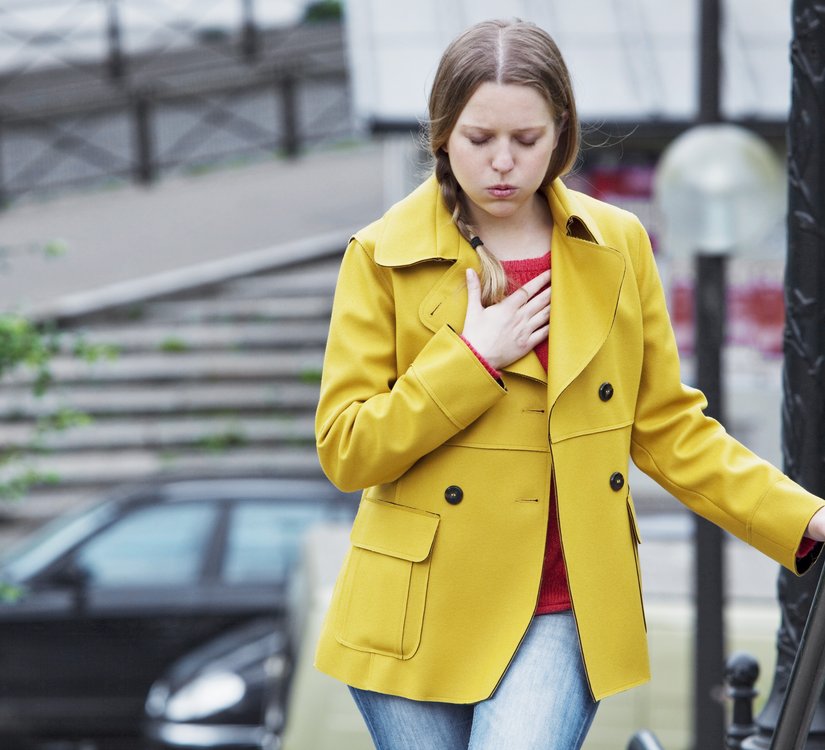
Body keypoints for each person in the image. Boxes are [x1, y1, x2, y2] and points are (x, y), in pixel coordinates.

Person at [313, 18, 825, 750]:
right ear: (441, 135)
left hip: (562, 602)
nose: (500, 164)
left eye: (525, 141)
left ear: (560, 133)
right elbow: (346, 449)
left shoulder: (614, 247)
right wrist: (470, 359)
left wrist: (800, 518)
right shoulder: (381, 255)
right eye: (477, 139)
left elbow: (667, 430)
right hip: (413, 612)